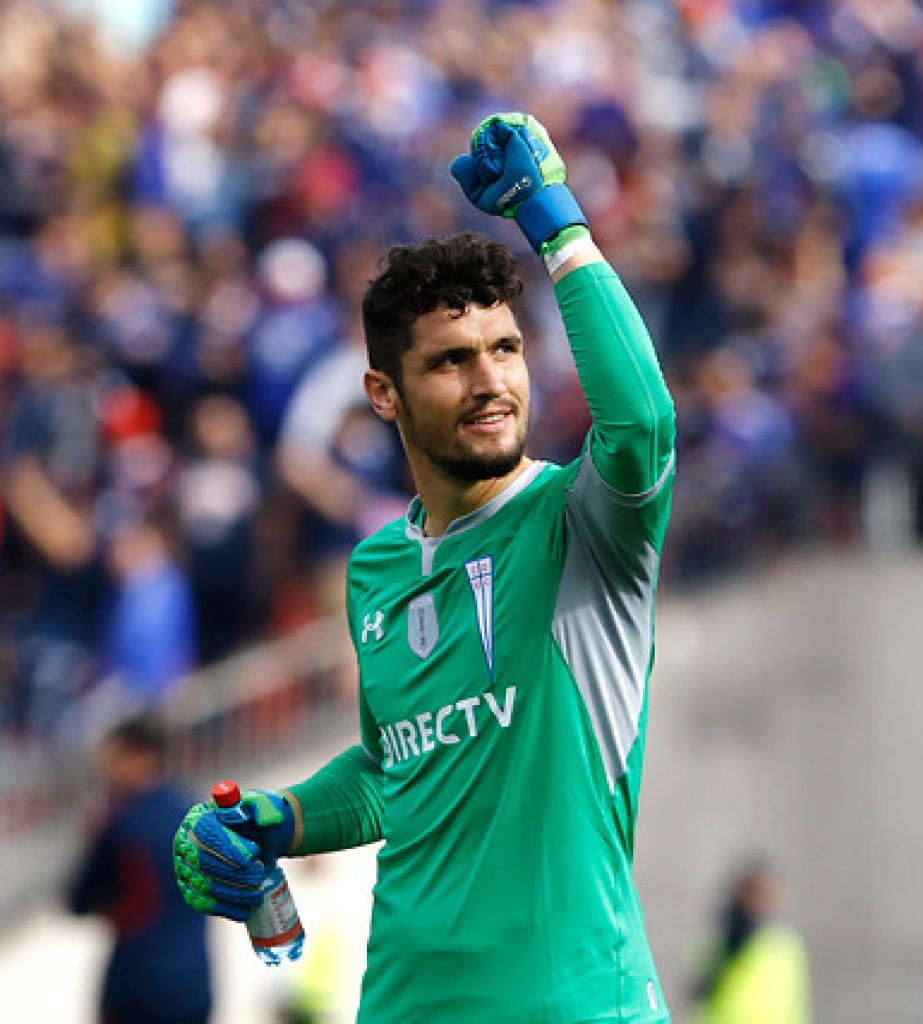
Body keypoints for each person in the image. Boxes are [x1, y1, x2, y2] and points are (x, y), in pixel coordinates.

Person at [174, 111, 677, 1023]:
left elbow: (642, 422)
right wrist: (279, 819)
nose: (491, 381)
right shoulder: (376, 567)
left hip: (574, 1004)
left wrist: (559, 228)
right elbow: (394, 766)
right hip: (402, 1004)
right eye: (452, 361)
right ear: (384, 394)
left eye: (506, 350)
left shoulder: (585, 524)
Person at [69, 714, 213, 1024]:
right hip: (194, 986)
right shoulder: (194, 816)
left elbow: (79, 900)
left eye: (115, 757)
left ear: (139, 756)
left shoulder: (121, 823)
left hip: (136, 990)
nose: (108, 768)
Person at [688, 859, 811, 1024]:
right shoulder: (720, 938)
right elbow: (699, 991)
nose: (759, 901)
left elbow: (795, 1002)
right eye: (754, 892)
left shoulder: (783, 943)